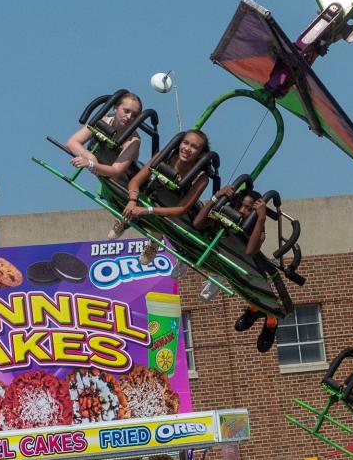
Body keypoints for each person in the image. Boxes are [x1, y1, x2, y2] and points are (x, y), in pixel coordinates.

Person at [194, 186, 285, 352]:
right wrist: (217, 197)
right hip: (223, 263)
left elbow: (250, 250)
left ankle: (270, 322)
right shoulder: (223, 217)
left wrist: (260, 219)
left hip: (248, 269)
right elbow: (198, 223)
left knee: (260, 290)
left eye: (249, 209)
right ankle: (254, 309)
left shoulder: (257, 231)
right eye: (240, 206)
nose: (242, 211)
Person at [122, 129, 212, 264]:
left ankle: (155, 241)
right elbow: (136, 181)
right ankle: (124, 219)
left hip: (177, 210)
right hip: (155, 194)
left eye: (194, 147)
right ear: (179, 143)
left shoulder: (202, 177)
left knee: (171, 214)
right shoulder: (165, 156)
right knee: (133, 191)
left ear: (201, 154)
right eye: (185, 143)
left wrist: (148, 210)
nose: (187, 149)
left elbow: (181, 209)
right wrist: (132, 201)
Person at [67, 91, 143, 181]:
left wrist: (92, 165)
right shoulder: (103, 119)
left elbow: (116, 171)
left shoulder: (133, 141)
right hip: (101, 174)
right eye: (126, 111)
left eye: (134, 115)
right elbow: (71, 143)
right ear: (115, 108)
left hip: (120, 184)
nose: (129, 117)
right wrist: (90, 157)